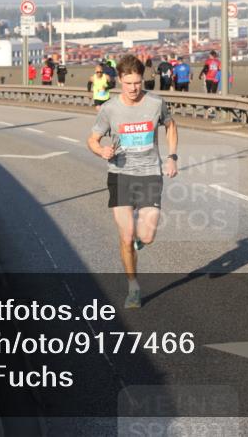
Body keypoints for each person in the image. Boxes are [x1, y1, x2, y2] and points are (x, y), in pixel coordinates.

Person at [87, 54, 178, 309]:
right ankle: (133, 287)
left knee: (146, 236)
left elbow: (171, 126)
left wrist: (172, 157)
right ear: (119, 81)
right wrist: (101, 150)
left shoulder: (156, 103)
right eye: (128, 84)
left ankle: (140, 238)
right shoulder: (109, 109)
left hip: (150, 174)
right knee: (126, 237)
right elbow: (92, 139)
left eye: (137, 83)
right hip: (120, 175)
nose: (134, 89)